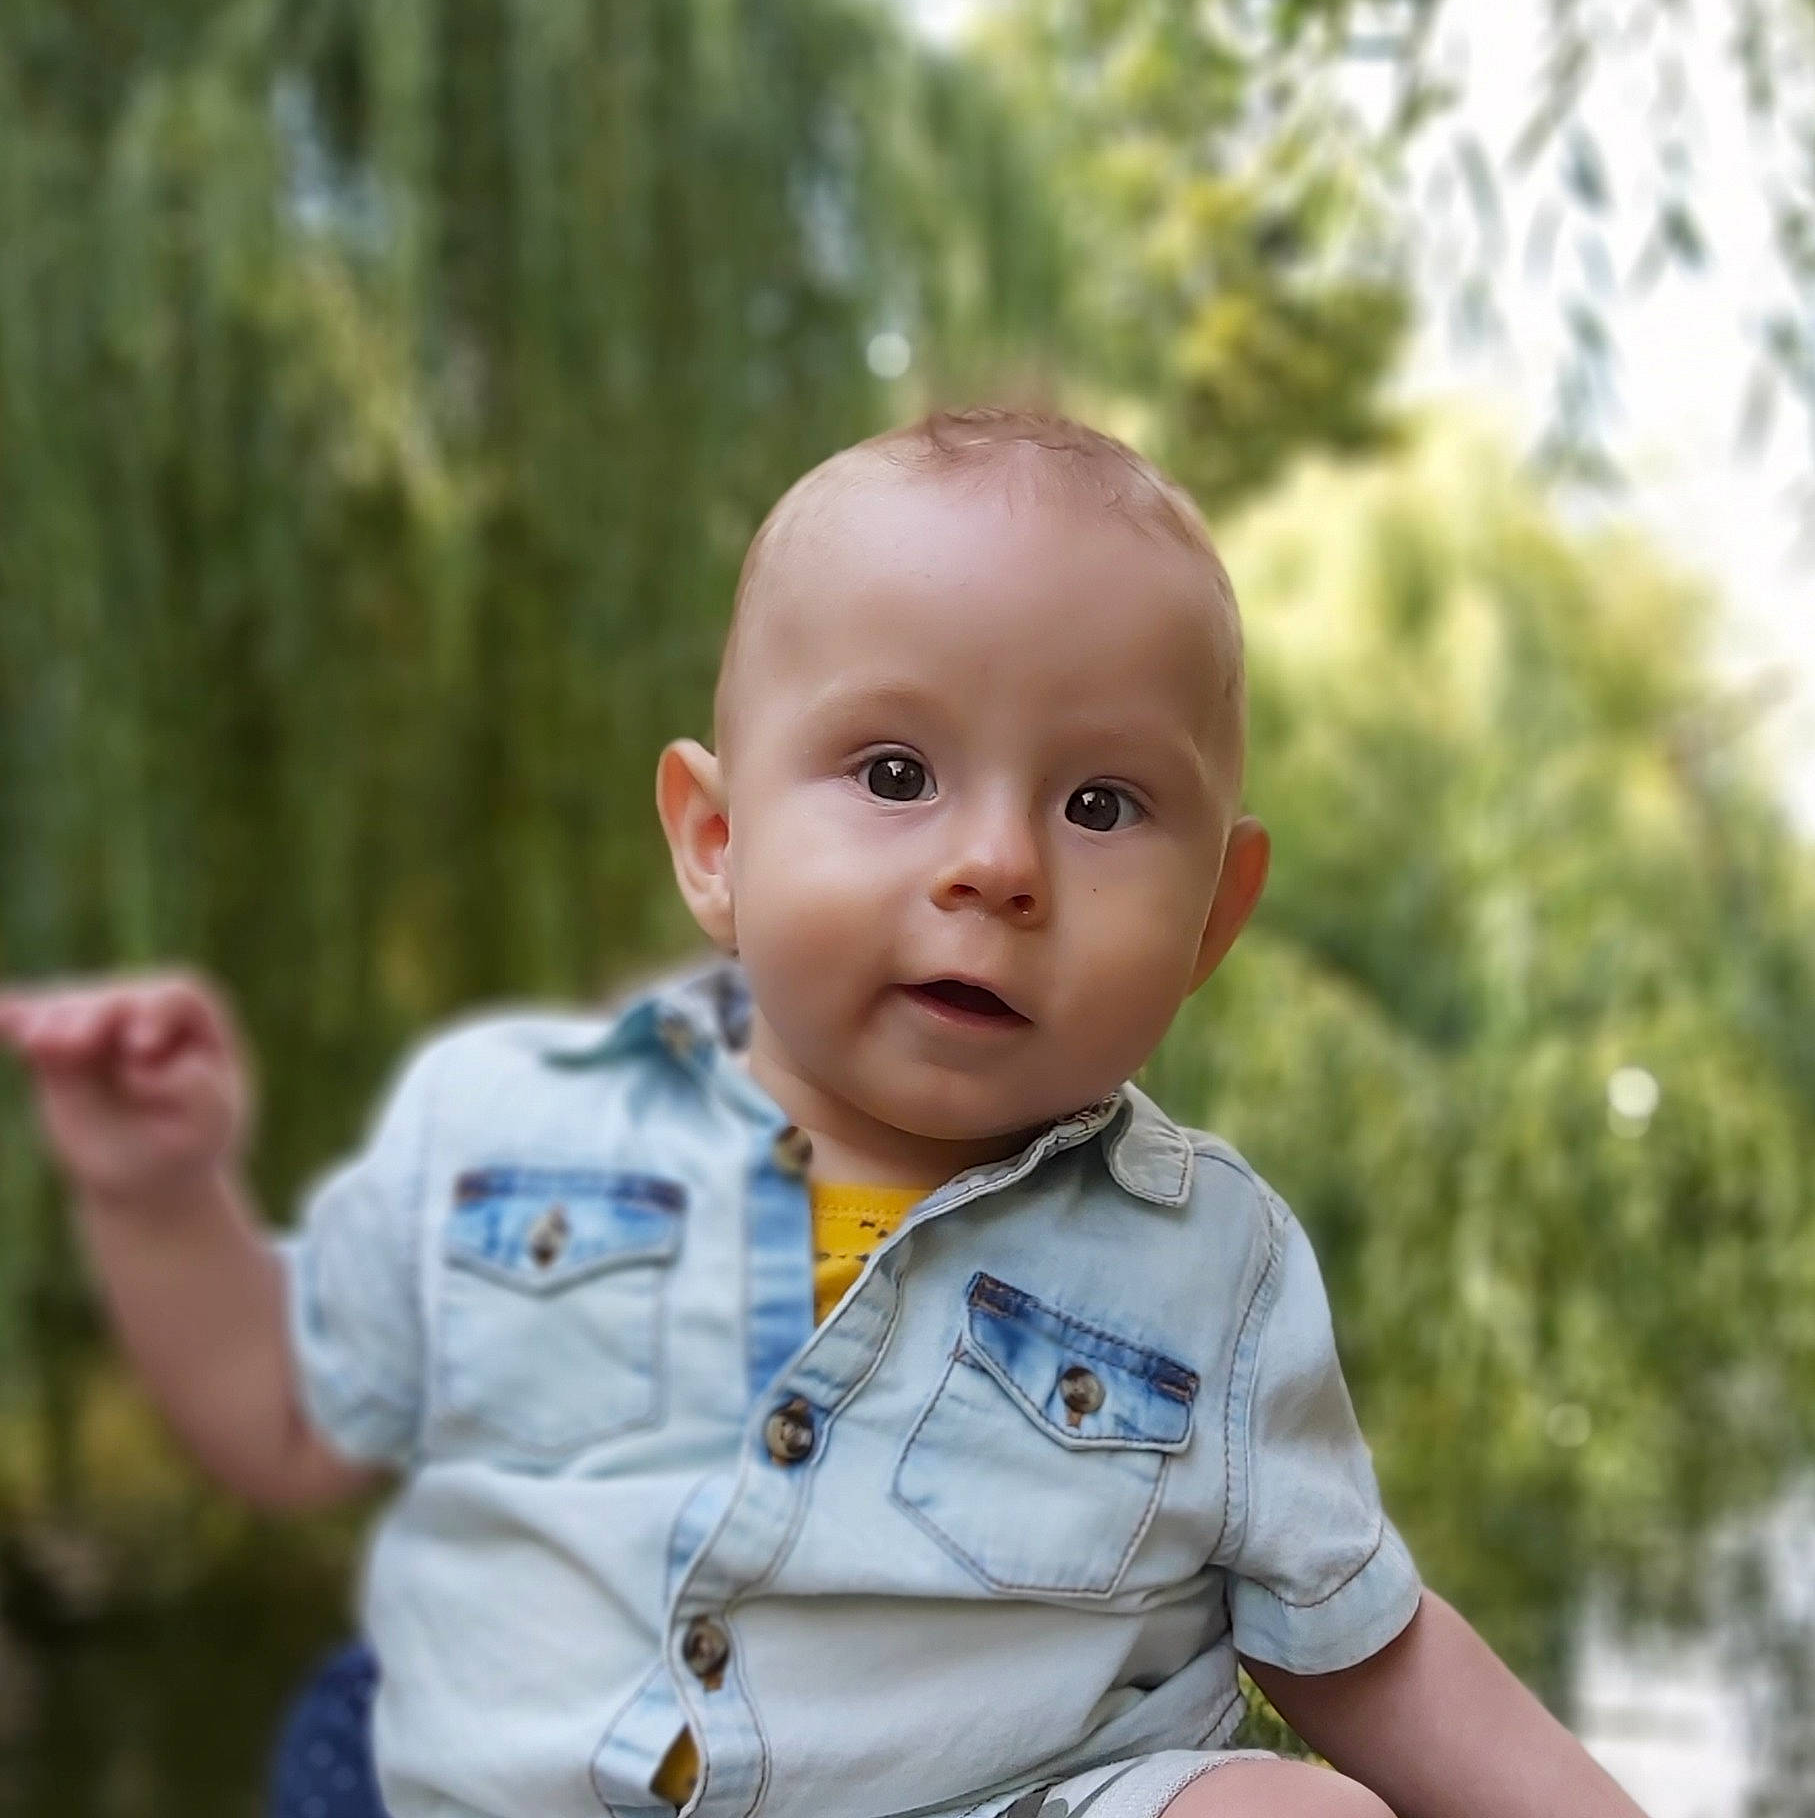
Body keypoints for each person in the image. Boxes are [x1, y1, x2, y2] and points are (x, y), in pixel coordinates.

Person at [0, 409, 1647, 1818]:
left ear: (1215, 916)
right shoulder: (513, 1123)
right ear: (715, 845)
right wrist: (158, 1198)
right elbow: (286, 1421)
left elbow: (1364, 1644)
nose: (995, 865)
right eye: (895, 774)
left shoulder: (1212, 1262)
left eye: (1099, 803)